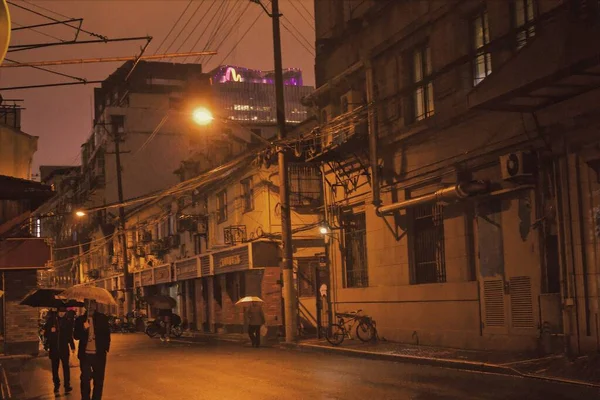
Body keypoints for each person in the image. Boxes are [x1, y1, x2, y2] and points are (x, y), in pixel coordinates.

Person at [74, 300, 111, 400]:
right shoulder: (80, 320)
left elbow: (107, 334)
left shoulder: (102, 318)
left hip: (99, 354)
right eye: (87, 303)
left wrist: (106, 348)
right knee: (85, 379)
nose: (90, 306)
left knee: (98, 380)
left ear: (95, 305)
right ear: (85, 305)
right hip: (85, 355)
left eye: (92, 303)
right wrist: (83, 329)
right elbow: (76, 336)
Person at [43, 307, 75, 394]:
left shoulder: (68, 321)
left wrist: (72, 346)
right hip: (54, 348)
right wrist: (50, 330)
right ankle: (56, 384)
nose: (62, 313)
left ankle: (67, 385)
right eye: (60, 311)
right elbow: (45, 333)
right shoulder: (52, 320)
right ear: (57, 312)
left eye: (63, 312)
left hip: (64, 347)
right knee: (54, 368)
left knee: (66, 367)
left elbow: (69, 335)